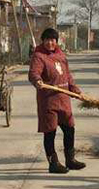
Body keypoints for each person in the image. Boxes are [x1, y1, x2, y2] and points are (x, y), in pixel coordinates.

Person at [29, 28, 86, 174]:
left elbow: (67, 76)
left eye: (53, 40)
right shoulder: (39, 56)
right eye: (47, 40)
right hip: (48, 101)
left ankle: (70, 159)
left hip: (63, 99)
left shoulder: (61, 55)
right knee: (50, 131)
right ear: (43, 41)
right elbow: (34, 73)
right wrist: (37, 81)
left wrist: (75, 90)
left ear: (56, 41)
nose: (50, 43)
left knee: (69, 129)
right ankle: (53, 163)